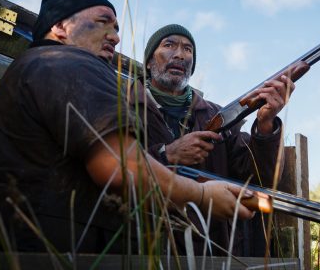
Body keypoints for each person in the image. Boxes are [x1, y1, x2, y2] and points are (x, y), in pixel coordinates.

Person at [0, 0, 255, 253]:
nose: (115, 37)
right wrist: (202, 195)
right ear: (61, 28)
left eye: (117, 27)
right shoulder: (69, 62)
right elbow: (123, 167)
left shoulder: (35, 66)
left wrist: (265, 123)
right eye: (102, 22)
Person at [132, 24, 309, 256]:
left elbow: (259, 179)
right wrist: (166, 153)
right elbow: (113, 163)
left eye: (188, 49)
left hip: (211, 249)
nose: (179, 54)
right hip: (141, 246)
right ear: (148, 61)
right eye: (169, 45)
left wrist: (266, 124)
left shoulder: (217, 115)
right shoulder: (122, 106)